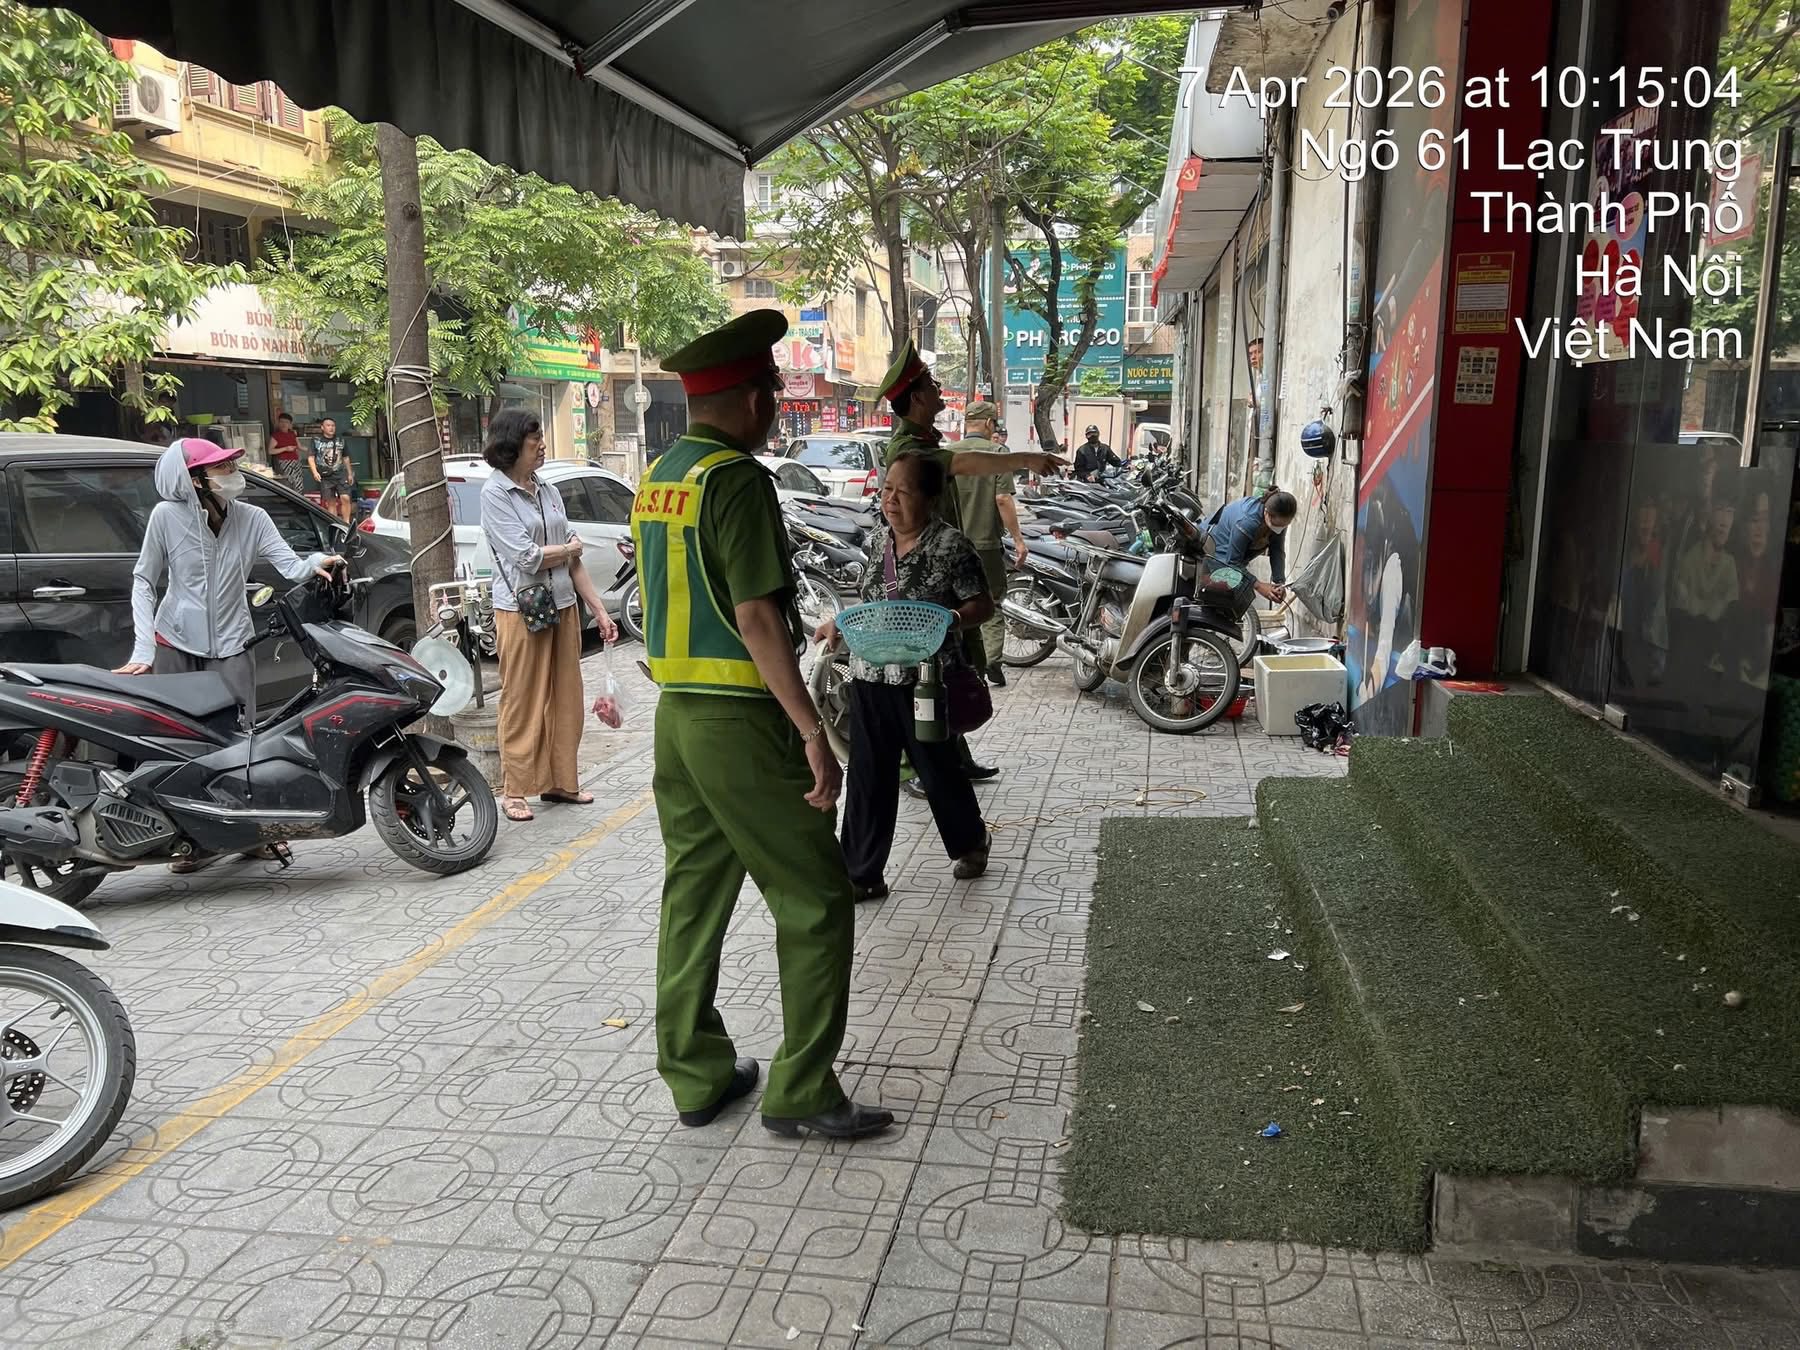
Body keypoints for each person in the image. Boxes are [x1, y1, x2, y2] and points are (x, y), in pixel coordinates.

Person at [631, 308, 891, 1142]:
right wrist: (812, 728)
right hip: (743, 722)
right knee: (816, 898)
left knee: (694, 893)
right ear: (746, 401)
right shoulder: (736, 479)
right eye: (773, 393)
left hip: (676, 719)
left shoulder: (658, 475)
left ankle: (697, 1074)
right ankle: (802, 1089)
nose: (778, 407)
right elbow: (756, 617)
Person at [115, 438, 342, 871]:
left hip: (234, 641)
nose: (232, 474)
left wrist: (318, 561)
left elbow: (290, 565)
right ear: (194, 480)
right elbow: (144, 581)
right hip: (175, 642)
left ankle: (248, 836)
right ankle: (187, 842)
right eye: (220, 469)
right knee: (178, 743)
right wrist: (144, 647)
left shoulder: (253, 518)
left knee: (241, 742)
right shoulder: (166, 518)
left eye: (230, 465)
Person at [878, 342, 1064, 788]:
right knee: (922, 669)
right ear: (917, 397)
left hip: (944, 565)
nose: (939, 390)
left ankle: (954, 755)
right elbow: (962, 462)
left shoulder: (924, 440)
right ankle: (917, 767)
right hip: (920, 572)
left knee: (952, 664)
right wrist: (1024, 459)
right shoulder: (909, 448)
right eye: (932, 384)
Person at [819, 451, 995, 903]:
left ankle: (971, 843)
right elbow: (872, 603)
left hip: (925, 682)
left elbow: (983, 605)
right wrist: (840, 624)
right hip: (870, 676)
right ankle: (862, 873)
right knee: (867, 775)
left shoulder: (951, 546)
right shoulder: (877, 541)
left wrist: (949, 618)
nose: (891, 500)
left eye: (904, 491)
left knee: (938, 771)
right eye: (887, 489)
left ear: (931, 498)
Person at [479, 409, 619, 824]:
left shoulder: (546, 490)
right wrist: (567, 549)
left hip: (563, 606)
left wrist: (598, 609)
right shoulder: (496, 494)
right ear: (511, 445)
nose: (542, 445)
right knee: (522, 700)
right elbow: (525, 556)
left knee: (566, 699)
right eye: (534, 439)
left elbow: (570, 557)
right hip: (522, 611)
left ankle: (561, 782)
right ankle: (515, 789)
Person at [950, 402, 1028, 687]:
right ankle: (991, 661)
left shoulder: (947, 454)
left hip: (950, 544)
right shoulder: (997, 453)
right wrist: (1018, 539)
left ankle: (963, 663)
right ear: (987, 424)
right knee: (991, 603)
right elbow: (1003, 499)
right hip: (985, 543)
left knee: (957, 604)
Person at [1204, 486, 1298, 603]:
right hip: (1214, 549)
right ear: (1267, 514)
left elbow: (1277, 551)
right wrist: (1259, 585)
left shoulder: (1279, 518)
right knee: (1229, 595)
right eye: (1276, 526)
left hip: (1232, 557)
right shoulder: (1247, 522)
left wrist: (1279, 583)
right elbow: (1233, 562)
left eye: (1284, 525)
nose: (1279, 530)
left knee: (1241, 589)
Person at [308, 417, 355, 523]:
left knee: (345, 498)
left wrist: (350, 473)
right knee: (331, 502)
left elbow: (346, 457)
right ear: (322, 427)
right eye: (328, 425)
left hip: (340, 473)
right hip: (325, 476)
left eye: (333, 425)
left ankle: (346, 522)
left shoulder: (341, 440)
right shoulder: (316, 440)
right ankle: (335, 523)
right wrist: (315, 472)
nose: (331, 428)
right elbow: (311, 458)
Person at [270, 412, 304, 492]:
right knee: (290, 482)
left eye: (286, 422)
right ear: (278, 423)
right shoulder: (276, 436)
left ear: (290, 424)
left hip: (296, 461)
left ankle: (300, 500)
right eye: (281, 422)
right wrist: (285, 449)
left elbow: (299, 447)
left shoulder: (292, 434)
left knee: (299, 482)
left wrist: (312, 450)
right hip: (284, 462)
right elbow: (270, 451)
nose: (284, 424)